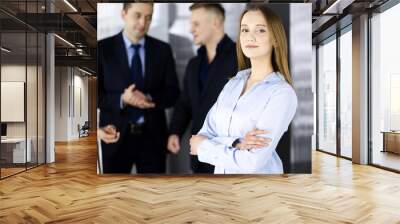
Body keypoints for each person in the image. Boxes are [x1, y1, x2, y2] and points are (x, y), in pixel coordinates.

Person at [189, 4, 298, 174]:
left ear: (275, 39)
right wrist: (237, 142)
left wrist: (204, 148)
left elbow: (251, 162)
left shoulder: (282, 93)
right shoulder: (232, 83)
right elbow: (203, 134)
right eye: (245, 30)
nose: (250, 37)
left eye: (260, 30)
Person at [98, 3, 180, 173]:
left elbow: (173, 93)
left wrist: (149, 98)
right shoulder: (102, 49)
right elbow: (94, 96)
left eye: (148, 17)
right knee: (114, 196)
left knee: (153, 196)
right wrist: (122, 99)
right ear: (124, 14)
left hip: (153, 139)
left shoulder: (163, 50)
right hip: (115, 136)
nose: (143, 22)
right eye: (138, 15)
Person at [167, 3, 239, 173]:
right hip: (199, 155)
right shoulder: (194, 64)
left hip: (228, 155)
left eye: (196, 24)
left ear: (215, 22)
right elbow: (185, 103)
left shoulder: (240, 58)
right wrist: (175, 132)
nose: (191, 29)